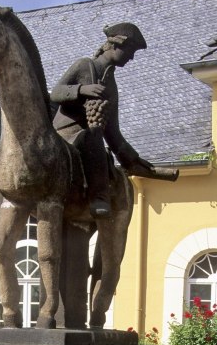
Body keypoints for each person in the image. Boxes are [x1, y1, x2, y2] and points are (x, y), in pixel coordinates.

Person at [51, 22, 155, 218]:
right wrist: (81, 90)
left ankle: (98, 196)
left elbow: (113, 132)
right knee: (91, 138)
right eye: (130, 50)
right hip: (63, 134)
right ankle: (99, 196)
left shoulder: (112, 88)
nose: (132, 57)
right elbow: (55, 93)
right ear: (115, 45)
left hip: (88, 140)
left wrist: (133, 158)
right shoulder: (83, 65)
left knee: (95, 138)